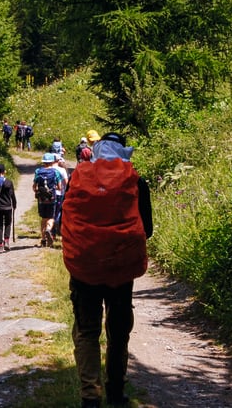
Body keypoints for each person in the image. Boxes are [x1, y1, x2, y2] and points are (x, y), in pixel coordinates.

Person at [61, 132, 153, 408]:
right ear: (124, 151)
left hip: (84, 269)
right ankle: (115, 390)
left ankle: (90, 396)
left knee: (87, 331)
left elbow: (67, 217)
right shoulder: (136, 182)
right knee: (119, 332)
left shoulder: (79, 177)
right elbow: (147, 229)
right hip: (121, 271)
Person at [33, 152, 63, 247]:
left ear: (43, 162)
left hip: (41, 199)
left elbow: (34, 187)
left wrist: (39, 191)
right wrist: (52, 189)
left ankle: (43, 240)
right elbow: (60, 187)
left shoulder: (38, 171)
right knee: (51, 217)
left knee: (43, 218)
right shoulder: (55, 172)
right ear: (52, 162)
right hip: (52, 198)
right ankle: (48, 229)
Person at [52, 152, 69, 239]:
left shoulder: (48, 169)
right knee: (58, 212)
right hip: (60, 193)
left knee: (51, 212)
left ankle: (51, 232)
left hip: (50, 193)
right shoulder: (62, 170)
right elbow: (67, 183)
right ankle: (57, 229)